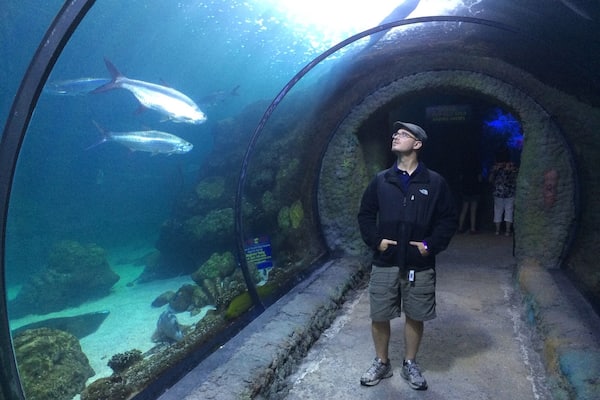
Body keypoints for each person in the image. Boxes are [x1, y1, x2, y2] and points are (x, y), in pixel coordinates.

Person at [357, 121, 457, 390]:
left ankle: (410, 363)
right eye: (395, 133)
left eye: (403, 134)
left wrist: (429, 245)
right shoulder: (381, 180)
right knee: (380, 313)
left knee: (415, 313)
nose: (395, 136)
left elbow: (448, 219)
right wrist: (376, 242)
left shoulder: (434, 182)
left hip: (418, 263)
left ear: (417, 144)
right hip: (385, 261)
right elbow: (365, 215)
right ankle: (382, 362)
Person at [488, 148, 518, 236]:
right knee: (509, 211)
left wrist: (495, 170)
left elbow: (490, 180)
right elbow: (516, 179)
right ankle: (507, 231)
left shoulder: (496, 166)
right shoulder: (512, 166)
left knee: (498, 211)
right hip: (510, 192)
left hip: (498, 192)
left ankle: (497, 231)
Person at [458, 152, 483, 233]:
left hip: (466, 188)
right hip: (475, 189)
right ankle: (472, 228)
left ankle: (460, 227)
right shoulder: (477, 165)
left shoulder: (464, 165)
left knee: (464, 209)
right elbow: (480, 178)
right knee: (473, 210)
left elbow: (461, 177)